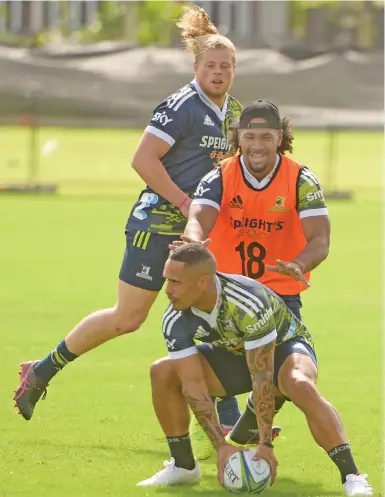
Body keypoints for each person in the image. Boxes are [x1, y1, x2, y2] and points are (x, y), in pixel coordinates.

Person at [13, 5, 243, 434]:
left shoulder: (234, 114)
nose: (218, 72)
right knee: (126, 319)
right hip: (155, 225)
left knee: (213, 311)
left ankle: (228, 416)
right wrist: (182, 202)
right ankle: (41, 371)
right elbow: (143, 159)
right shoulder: (181, 106)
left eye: (226, 66)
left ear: (234, 70)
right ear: (196, 66)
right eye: (211, 65)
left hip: (198, 236)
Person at [137, 244, 373, 497]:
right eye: (167, 280)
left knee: (298, 383)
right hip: (234, 353)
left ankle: (353, 476)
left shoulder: (246, 303)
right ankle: (184, 466)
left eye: (176, 282)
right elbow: (193, 384)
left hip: (285, 347)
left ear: (202, 282)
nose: (168, 291)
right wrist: (221, 449)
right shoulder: (174, 317)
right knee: (162, 371)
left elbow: (262, 377)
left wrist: (265, 444)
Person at [172, 99, 331, 457]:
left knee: (284, 381)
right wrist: (194, 241)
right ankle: (194, 451)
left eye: (266, 137)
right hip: (223, 296)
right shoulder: (219, 175)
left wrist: (299, 264)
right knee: (189, 367)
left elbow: (320, 240)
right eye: (250, 136)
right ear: (238, 138)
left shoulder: (301, 179)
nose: (257, 145)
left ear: (280, 138)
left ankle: (242, 434)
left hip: (277, 299)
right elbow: (198, 217)